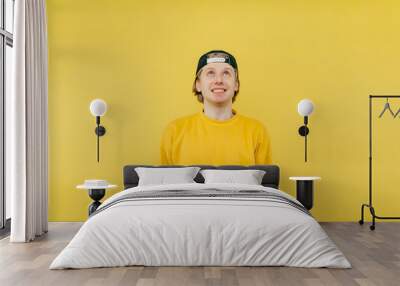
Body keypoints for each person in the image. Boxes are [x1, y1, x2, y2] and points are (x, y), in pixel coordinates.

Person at [160, 50, 272, 165]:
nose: (219, 80)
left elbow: (264, 182)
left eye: (226, 73)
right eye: (211, 73)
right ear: (198, 84)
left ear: (236, 85)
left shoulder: (257, 132)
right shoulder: (174, 132)